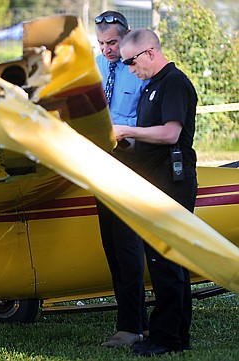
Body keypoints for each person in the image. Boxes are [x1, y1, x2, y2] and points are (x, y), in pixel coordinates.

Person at [115, 28, 198, 357]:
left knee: (167, 261)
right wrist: (124, 141)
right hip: (154, 181)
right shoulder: (151, 85)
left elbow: (169, 134)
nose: (130, 70)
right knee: (165, 262)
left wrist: (126, 129)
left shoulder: (173, 83)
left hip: (172, 183)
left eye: (131, 62)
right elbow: (149, 137)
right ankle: (175, 334)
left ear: (149, 52)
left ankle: (167, 339)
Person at [94, 10, 149, 348]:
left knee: (127, 246)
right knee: (112, 246)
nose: (106, 50)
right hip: (100, 163)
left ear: (127, 38)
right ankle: (135, 322)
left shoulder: (140, 70)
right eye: (100, 43)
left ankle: (130, 328)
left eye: (112, 42)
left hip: (131, 162)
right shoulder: (95, 65)